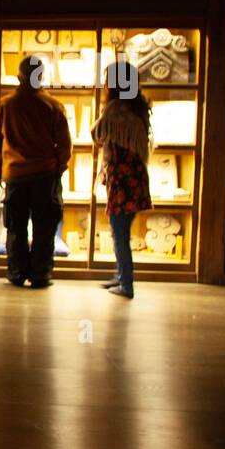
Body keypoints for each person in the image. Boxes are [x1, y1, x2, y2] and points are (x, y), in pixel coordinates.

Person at [0, 55, 72, 288]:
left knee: (15, 227)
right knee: (44, 228)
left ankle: (16, 273)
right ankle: (40, 275)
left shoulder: (5, 105)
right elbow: (65, 145)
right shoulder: (53, 106)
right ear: (41, 76)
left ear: (18, 77)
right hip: (45, 175)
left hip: (14, 174)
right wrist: (58, 168)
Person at [92, 62, 151, 299]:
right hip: (136, 176)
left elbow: (96, 133)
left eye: (107, 79)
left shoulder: (115, 108)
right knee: (121, 230)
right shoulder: (138, 107)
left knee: (119, 233)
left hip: (121, 178)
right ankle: (119, 276)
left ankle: (126, 284)